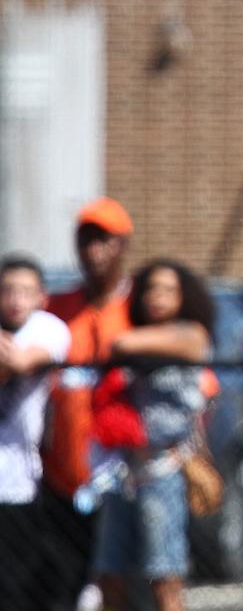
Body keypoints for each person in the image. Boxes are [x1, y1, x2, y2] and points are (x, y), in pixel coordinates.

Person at [91, 259, 214, 611]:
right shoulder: (135, 332)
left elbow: (122, 342)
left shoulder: (191, 333)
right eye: (151, 288)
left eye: (168, 290)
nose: (157, 297)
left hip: (166, 468)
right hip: (123, 468)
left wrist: (128, 345)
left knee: (164, 576)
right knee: (109, 572)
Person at [40, 196, 134, 611]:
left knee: (121, 588)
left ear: (122, 245)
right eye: (85, 240)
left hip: (123, 480)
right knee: (61, 588)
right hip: (64, 478)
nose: (93, 250)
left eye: (103, 239)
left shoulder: (138, 307)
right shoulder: (57, 308)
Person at [0, 255, 71, 611]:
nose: (16, 300)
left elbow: (19, 362)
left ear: (42, 297)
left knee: (15, 587)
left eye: (26, 291)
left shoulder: (47, 328)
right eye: (7, 290)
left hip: (17, 484)